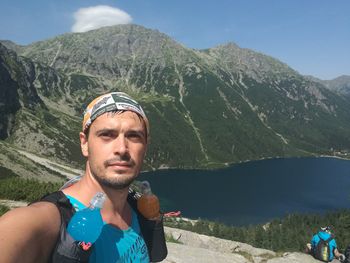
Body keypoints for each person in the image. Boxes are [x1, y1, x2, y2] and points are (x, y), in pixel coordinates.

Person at [0, 92, 167, 263]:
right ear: (84, 144)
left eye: (134, 136)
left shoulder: (138, 209)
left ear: (145, 146)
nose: (122, 149)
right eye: (107, 135)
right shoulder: (42, 222)